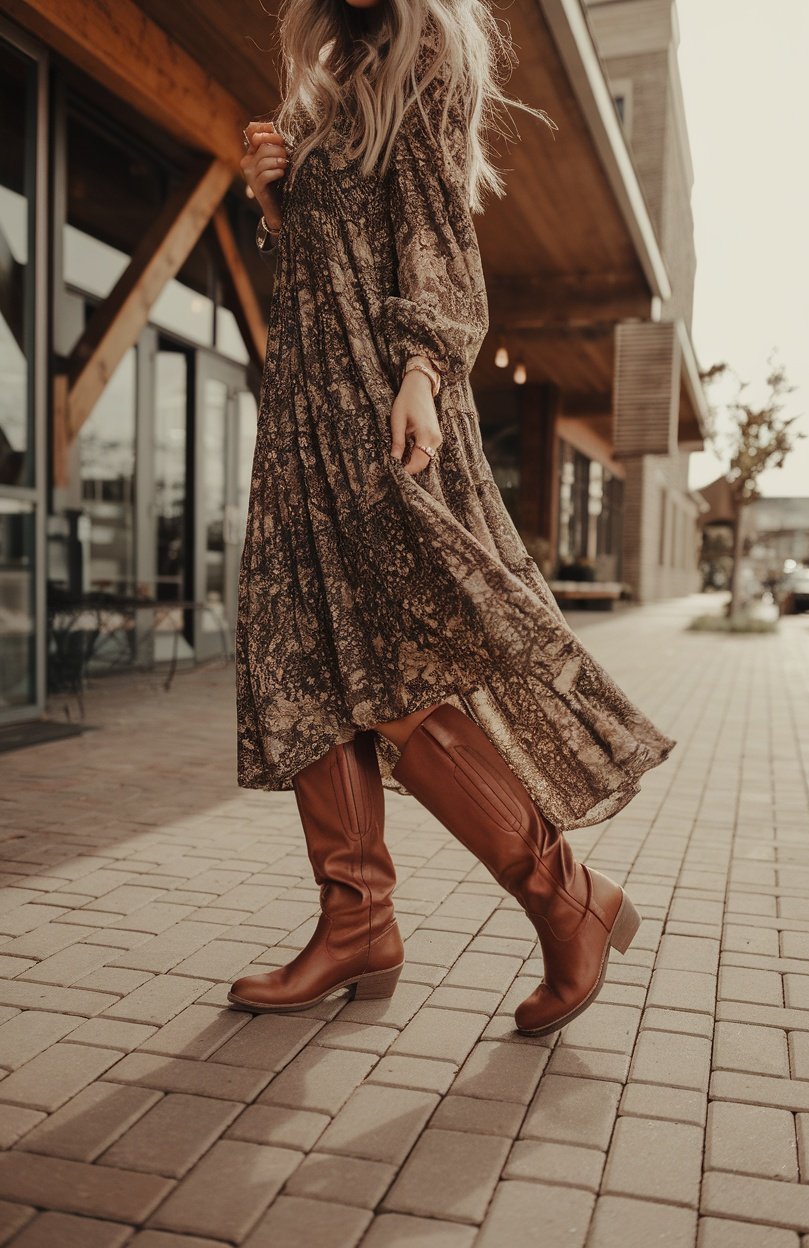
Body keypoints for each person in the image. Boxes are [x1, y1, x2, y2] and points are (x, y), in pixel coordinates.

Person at [229, 0, 675, 1037]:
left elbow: (435, 242)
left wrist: (424, 372)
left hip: (376, 420)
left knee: (392, 679)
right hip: (304, 425)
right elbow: (344, 259)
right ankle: (356, 922)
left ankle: (568, 900)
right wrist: (284, 195)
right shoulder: (339, 83)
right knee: (301, 664)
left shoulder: (420, 56)